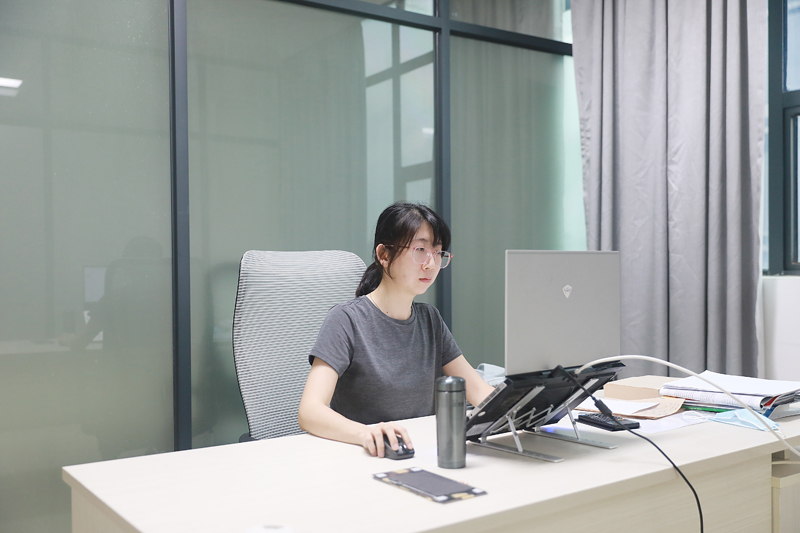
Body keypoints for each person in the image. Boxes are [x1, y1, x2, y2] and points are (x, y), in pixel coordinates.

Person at [298, 202, 495, 458]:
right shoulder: (346, 320)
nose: (431, 264)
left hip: (421, 453)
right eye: (420, 250)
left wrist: (525, 409)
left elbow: (478, 390)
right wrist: (365, 433)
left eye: (437, 253)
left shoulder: (430, 320)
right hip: (365, 456)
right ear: (384, 255)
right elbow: (310, 411)